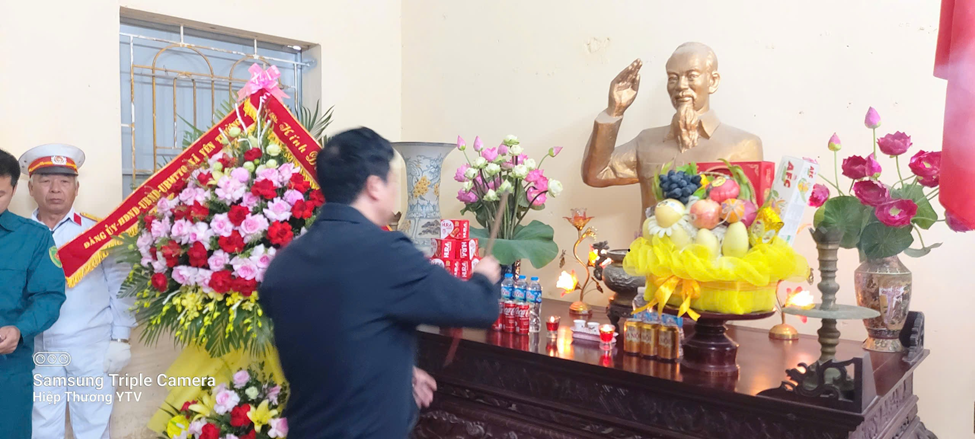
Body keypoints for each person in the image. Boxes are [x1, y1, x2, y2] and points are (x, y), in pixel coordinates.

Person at [260, 127, 502, 438]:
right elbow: (477, 307)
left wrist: (400, 372)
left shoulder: (286, 262)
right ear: (374, 185)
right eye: (392, 181)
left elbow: (336, 335)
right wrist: (484, 277)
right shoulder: (387, 254)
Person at [18, 144, 135, 439]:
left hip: (91, 346)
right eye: (46, 180)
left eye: (64, 181)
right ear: (31, 188)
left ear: (76, 188)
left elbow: (121, 285)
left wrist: (121, 338)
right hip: (38, 349)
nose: (55, 189)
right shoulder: (18, 233)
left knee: (93, 428)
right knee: (41, 428)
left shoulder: (98, 233)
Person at [581, 42, 764, 224]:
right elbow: (596, 174)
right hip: (651, 243)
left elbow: (750, 219)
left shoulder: (743, 145)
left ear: (713, 81)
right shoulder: (646, 142)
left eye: (692, 76)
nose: (681, 86)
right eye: (673, 78)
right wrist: (614, 111)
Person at [0, 148, 66, 439]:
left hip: (7, 371)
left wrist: (19, 329)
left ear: (14, 190)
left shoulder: (33, 237)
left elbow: (49, 296)